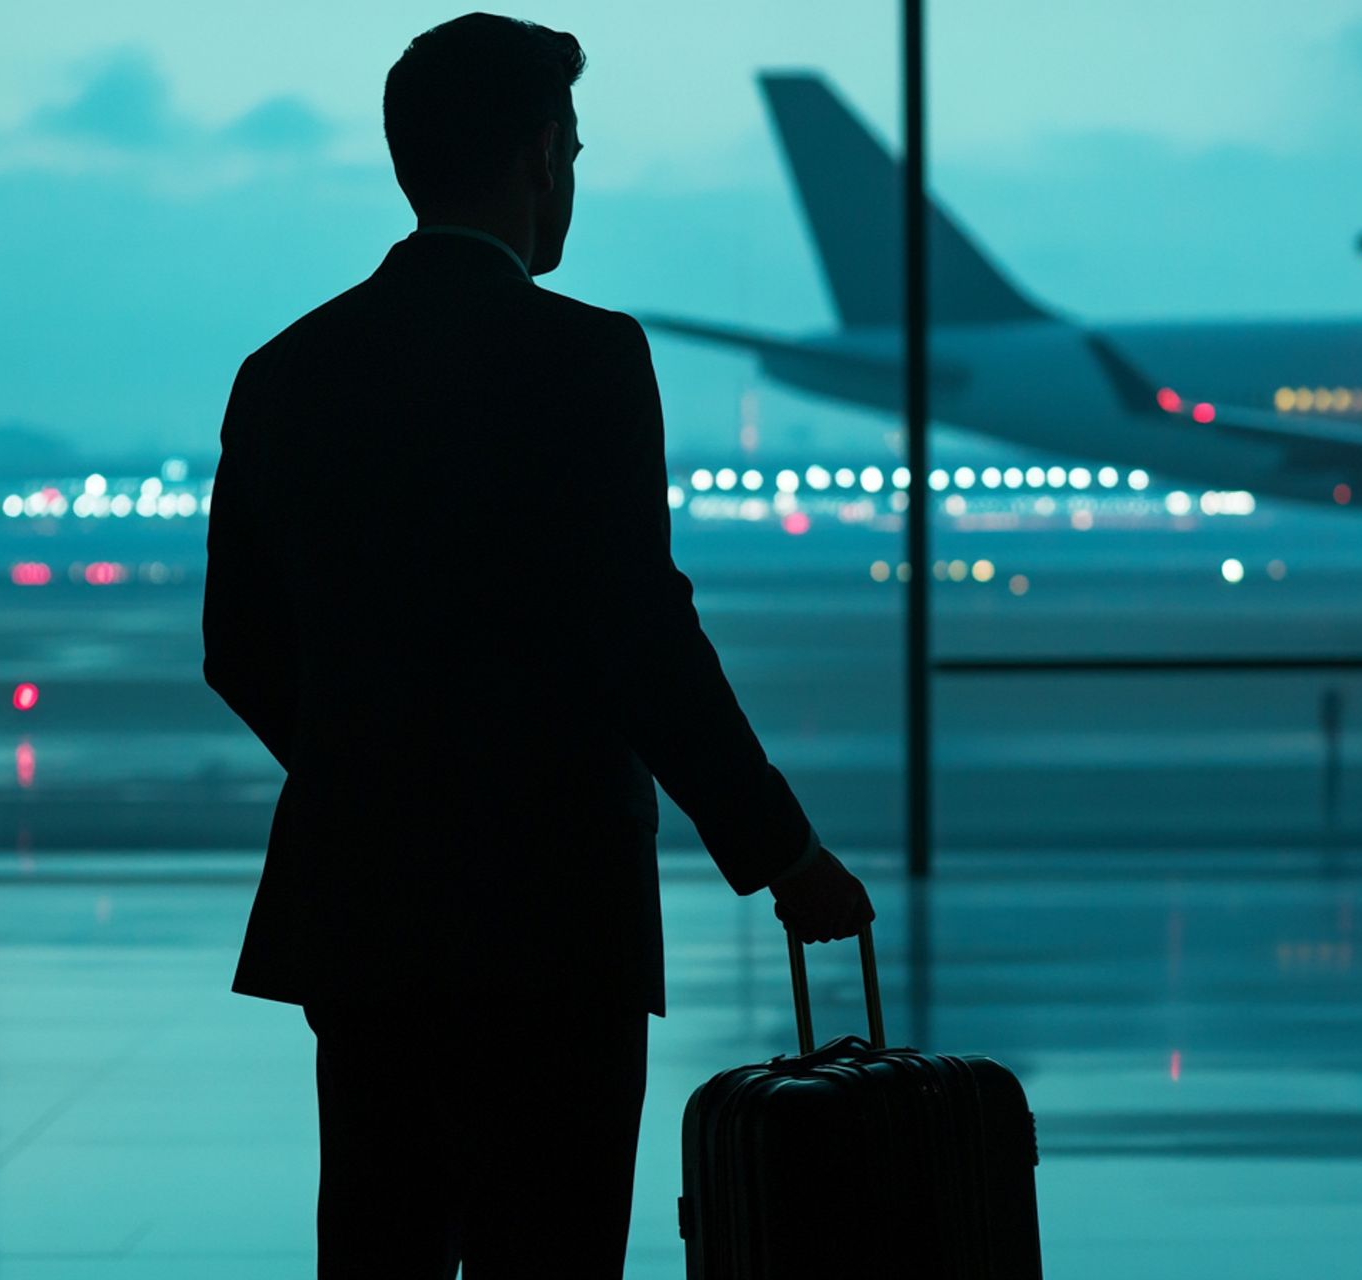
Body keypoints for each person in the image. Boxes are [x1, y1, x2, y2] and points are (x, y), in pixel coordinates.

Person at [200, 12, 874, 1277]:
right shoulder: (585, 358)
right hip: (553, 908)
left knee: (380, 1239)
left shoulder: (285, 368)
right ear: (534, 158)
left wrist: (372, 762)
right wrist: (781, 850)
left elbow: (236, 644)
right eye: (572, 150)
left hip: (364, 904)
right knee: (551, 1244)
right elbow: (642, 637)